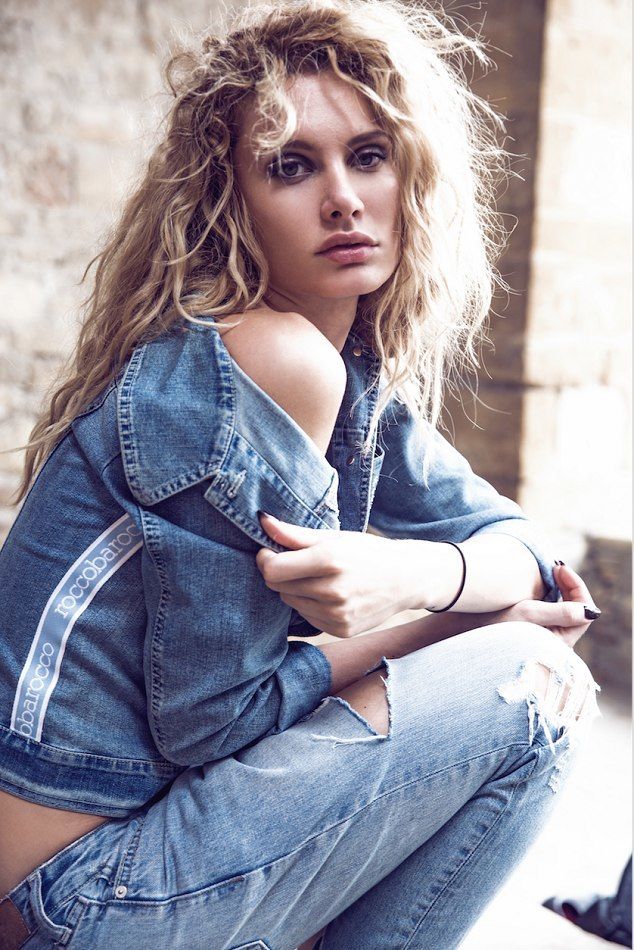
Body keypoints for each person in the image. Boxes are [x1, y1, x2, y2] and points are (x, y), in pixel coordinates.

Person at [0, 1, 602, 947]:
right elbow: (216, 724)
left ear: (411, 175)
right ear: (228, 203)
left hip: (121, 868)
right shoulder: (261, 360)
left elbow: (526, 548)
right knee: (530, 685)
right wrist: (456, 621)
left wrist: (417, 574)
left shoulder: (345, 373)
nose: (343, 199)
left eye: (368, 156)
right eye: (291, 166)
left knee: (523, 662)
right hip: (76, 899)